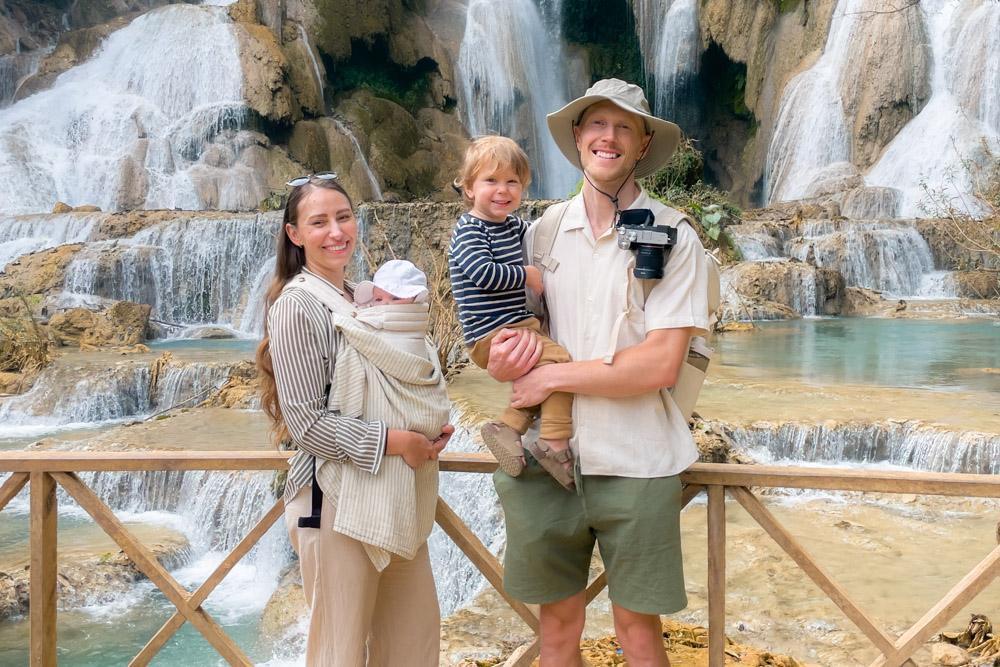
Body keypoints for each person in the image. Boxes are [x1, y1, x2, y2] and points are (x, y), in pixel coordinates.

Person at [486, 79, 711, 666]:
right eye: (597, 124)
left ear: (643, 144)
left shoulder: (675, 235)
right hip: (544, 462)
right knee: (557, 630)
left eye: (624, 127)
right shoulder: (540, 231)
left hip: (637, 460)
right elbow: (514, 337)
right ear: (578, 135)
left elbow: (661, 363)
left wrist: (553, 379)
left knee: (639, 633)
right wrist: (502, 360)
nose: (608, 137)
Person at [255, 175, 453, 666]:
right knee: (339, 652)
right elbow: (306, 424)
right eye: (319, 222)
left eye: (343, 217)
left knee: (412, 645)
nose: (336, 231)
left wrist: (425, 428)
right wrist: (396, 440)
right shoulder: (297, 306)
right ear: (295, 234)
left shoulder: (366, 297)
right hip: (332, 499)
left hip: (394, 494)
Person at [448, 135, 576, 490]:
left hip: (513, 326)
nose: (502, 190)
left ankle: (508, 427)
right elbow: (483, 274)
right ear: (469, 188)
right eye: (491, 180)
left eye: (512, 182)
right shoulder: (470, 230)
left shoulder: (511, 226)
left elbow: (543, 235)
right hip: (491, 333)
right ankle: (553, 442)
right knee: (560, 366)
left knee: (546, 372)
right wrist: (527, 275)